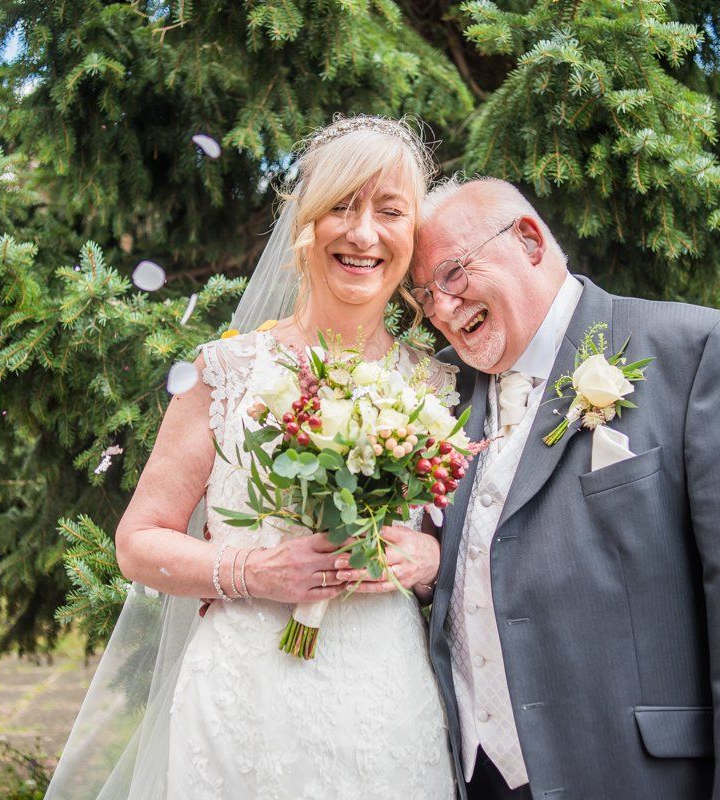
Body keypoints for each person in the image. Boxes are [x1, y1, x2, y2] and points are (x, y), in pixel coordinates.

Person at [44, 116, 456, 799]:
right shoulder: (226, 372)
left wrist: (429, 561)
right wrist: (252, 570)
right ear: (304, 224)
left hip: (384, 700)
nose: (363, 233)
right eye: (341, 207)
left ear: (413, 239)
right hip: (242, 701)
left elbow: (482, 552)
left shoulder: (441, 388)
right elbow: (138, 544)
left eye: (389, 211)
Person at [409, 177, 720, 799]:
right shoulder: (442, 410)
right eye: (422, 297)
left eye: (451, 275)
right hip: (484, 781)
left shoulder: (696, 352)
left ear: (528, 241)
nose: (441, 310)